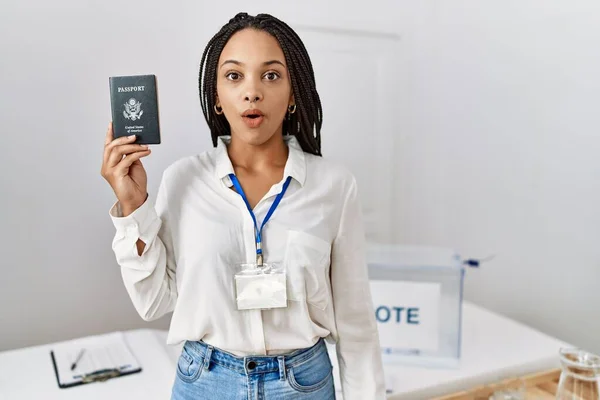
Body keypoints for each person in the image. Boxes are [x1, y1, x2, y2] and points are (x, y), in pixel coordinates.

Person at [101, 12, 385, 400]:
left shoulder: (334, 186)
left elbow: (356, 323)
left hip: (303, 385)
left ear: (292, 95)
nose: (252, 92)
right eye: (234, 76)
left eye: (270, 75)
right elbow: (153, 303)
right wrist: (132, 207)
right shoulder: (182, 180)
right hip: (205, 382)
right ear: (217, 97)